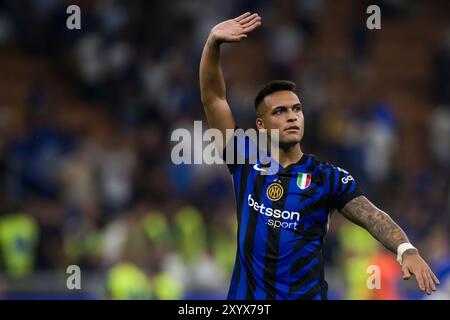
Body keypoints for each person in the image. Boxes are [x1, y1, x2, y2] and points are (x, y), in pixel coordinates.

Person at [199, 12, 439, 300]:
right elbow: (214, 98)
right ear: (260, 125)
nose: (291, 117)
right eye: (279, 111)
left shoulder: (327, 177)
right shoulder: (245, 160)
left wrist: (406, 249)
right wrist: (212, 44)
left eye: (296, 109)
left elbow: (372, 216)